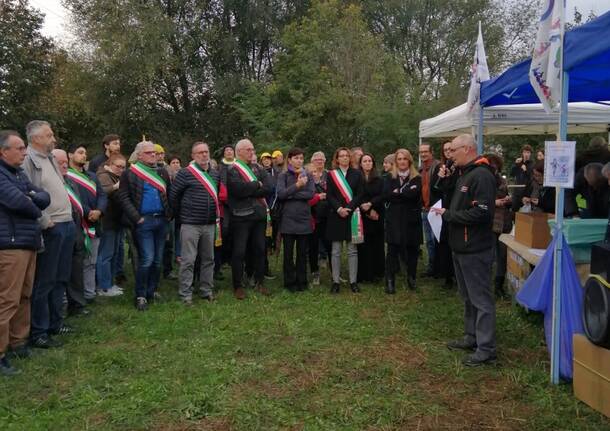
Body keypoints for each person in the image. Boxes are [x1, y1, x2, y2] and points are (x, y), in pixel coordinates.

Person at [432, 134, 497, 366]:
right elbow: (445, 194)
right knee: (468, 297)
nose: (450, 155)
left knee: (481, 299)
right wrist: (445, 180)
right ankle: (472, 337)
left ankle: (487, 348)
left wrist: (450, 215)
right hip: (460, 246)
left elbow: (483, 213)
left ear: (468, 149)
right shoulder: (464, 174)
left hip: (475, 247)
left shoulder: (481, 176)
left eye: (455, 150)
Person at [22, 120, 76, 348]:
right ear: (36, 138)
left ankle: (56, 322)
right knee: (45, 280)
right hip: (51, 227)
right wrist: (45, 221)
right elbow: (26, 194)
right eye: (49, 135)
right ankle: (39, 331)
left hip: (66, 223)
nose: (54, 139)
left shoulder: (51, 158)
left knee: (61, 277)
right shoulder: (28, 161)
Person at [0, 130, 50, 375]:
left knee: (24, 295)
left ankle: (18, 341)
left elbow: (43, 197)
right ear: (3, 151)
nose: (23, 152)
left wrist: (31, 198)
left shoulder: (18, 173)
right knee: (7, 299)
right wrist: (32, 199)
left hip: (27, 242)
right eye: (19, 148)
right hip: (10, 245)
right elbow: (18, 202)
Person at [118, 141, 172, 311]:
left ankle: (152, 290)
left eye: (154, 153)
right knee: (147, 259)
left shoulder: (162, 172)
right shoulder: (130, 173)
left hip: (161, 221)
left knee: (157, 261)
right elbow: (124, 198)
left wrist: (169, 215)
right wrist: (136, 218)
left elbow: (169, 194)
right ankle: (140, 295)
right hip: (144, 222)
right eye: (149, 153)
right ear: (139, 155)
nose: (153, 155)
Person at [170, 142, 221, 305]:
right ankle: (185, 294)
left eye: (206, 152)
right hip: (190, 223)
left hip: (209, 224)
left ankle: (206, 290)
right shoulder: (185, 173)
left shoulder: (214, 174)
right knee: (188, 260)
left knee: (208, 259)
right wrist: (183, 215)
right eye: (199, 153)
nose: (204, 155)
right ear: (193, 156)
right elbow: (173, 196)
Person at [226, 139, 273, 299]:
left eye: (253, 149)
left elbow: (269, 188)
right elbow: (237, 190)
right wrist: (256, 185)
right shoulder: (232, 169)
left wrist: (253, 187)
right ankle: (238, 285)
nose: (252, 152)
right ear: (239, 152)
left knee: (260, 249)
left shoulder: (258, 168)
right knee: (239, 252)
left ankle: (259, 281)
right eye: (248, 149)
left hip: (259, 215)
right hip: (241, 216)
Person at [52, 148, 96, 315]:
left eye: (65, 162)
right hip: (58, 230)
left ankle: (77, 304)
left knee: (76, 270)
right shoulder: (51, 182)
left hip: (76, 229)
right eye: (59, 163)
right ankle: (58, 309)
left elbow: (78, 205)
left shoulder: (70, 181)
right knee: (59, 272)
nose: (64, 166)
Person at [67, 144, 107, 302]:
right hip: (78, 222)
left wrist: (99, 211)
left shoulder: (92, 176)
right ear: (70, 155)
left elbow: (102, 195)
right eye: (80, 152)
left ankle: (89, 293)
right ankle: (76, 295)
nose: (84, 155)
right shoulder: (67, 176)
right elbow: (72, 198)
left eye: (85, 153)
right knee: (76, 263)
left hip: (94, 222)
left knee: (92, 260)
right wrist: (87, 211)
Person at [326, 147, 364, 293]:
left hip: (352, 214)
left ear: (350, 158)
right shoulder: (331, 175)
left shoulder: (357, 174)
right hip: (336, 215)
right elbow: (329, 195)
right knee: (335, 250)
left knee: (352, 250)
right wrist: (339, 209)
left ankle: (353, 281)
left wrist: (349, 207)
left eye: (346, 156)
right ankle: (335, 281)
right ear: (337, 159)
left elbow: (360, 194)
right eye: (341, 156)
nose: (344, 158)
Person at [276, 148, 315, 291]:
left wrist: (291, 194)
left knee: (302, 253)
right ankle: (289, 282)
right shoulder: (283, 176)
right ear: (290, 159)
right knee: (288, 254)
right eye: (296, 158)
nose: (299, 160)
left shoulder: (308, 175)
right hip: (288, 218)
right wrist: (297, 186)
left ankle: (302, 281)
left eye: (301, 158)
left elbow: (310, 194)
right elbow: (280, 194)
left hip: (304, 218)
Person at [383, 149, 422, 293]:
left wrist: (397, 193)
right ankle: (390, 280)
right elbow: (386, 195)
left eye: (404, 159)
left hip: (411, 220)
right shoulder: (389, 177)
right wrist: (403, 193)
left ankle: (412, 278)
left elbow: (413, 195)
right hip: (394, 219)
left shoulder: (416, 178)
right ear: (396, 161)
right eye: (399, 159)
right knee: (392, 250)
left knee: (413, 250)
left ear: (409, 161)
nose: (402, 161)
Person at [96, 154, 127, 297]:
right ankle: (104, 286)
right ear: (110, 165)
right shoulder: (103, 175)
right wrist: (117, 185)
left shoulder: (115, 175)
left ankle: (110, 283)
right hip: (107, 220)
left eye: (123, 167)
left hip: (117, 220)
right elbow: (104, 192)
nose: (121, 169)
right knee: (106, 255)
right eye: (118, 166)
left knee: (114, 253)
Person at [486, 153, 512, 299]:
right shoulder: (483, 179)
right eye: (491, 166)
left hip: (503, 222)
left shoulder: (502, 180)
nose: (493, 169)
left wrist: (508, 200)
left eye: (495, 166)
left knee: (502, 255)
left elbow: (508, 197)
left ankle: (498, 286)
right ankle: (486, 286)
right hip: (489, 222)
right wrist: (494, 202)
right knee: (488, 255)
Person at [357, 153, 385, 283]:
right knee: (363, 245)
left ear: (373, 163)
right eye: (364, 161)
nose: (367, 163)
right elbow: (356, 195)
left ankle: (376, 273)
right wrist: (365, 207)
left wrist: (371, 205)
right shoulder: (357, 178)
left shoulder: (379, 179)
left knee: (376, 245)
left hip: (376, 214)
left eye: (369, 161)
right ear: (360, 164)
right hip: (361, 215)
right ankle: (364, 274)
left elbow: (382, 195)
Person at [434, 141, 457, 289]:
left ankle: (456, 274)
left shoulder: (461, 169)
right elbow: (436, 188)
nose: (448, 152)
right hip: (444, 210)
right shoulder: (442, 168)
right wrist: (441, 177)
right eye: (445, 150)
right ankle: (447, 275)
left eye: (450, 149)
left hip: (457, 210)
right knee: (444, 242)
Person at [419, 142, 441, 277]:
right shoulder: (421, 169)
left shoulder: (438, 166)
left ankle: (438, 267)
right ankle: (432, 267)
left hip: (435, 208)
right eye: (421, 152)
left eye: (425, 151)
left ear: (431, 152)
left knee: (436, 239)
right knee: (429, 241)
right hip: (424, 209)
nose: (423, 154)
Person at [308, 151, 330, 284]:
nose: (319, 161)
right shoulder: (307, 175)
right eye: (316, 159)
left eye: (321, 159)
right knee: (312, 246)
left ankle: (335, 273)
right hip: (312, 217)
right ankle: (315, 272)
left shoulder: (330, 175)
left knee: (330, 245)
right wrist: (317, 197)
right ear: (312, 161)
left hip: (328, 216)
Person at [510, 144, 533, 212]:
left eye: (528, 152)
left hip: (526, 192)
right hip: (517, 191)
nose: (526, 154)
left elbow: (531, 178)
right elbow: (512, 174)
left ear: (530, 154)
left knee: (524, 214)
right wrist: (515, 164)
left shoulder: (532, 164)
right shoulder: (519, 162)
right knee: (514, 210)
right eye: (525, 152)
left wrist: (525, 170)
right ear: (522, 153)